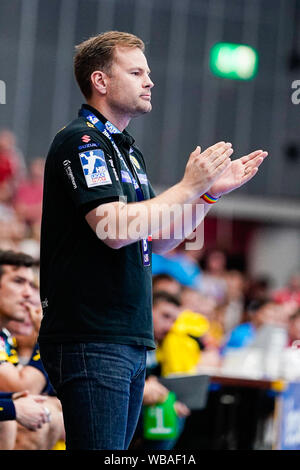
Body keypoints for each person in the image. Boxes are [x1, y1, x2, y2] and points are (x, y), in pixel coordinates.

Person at [38, 30, 268, 450]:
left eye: (149, 72)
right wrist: (187, 185)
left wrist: (208, 193)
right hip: (92, 333)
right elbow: (112, 230)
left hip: (126, 334)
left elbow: (160, 241)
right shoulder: (82, 140)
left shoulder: (128, 151)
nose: (150, 81)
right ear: (101, 81)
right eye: (137, 71)